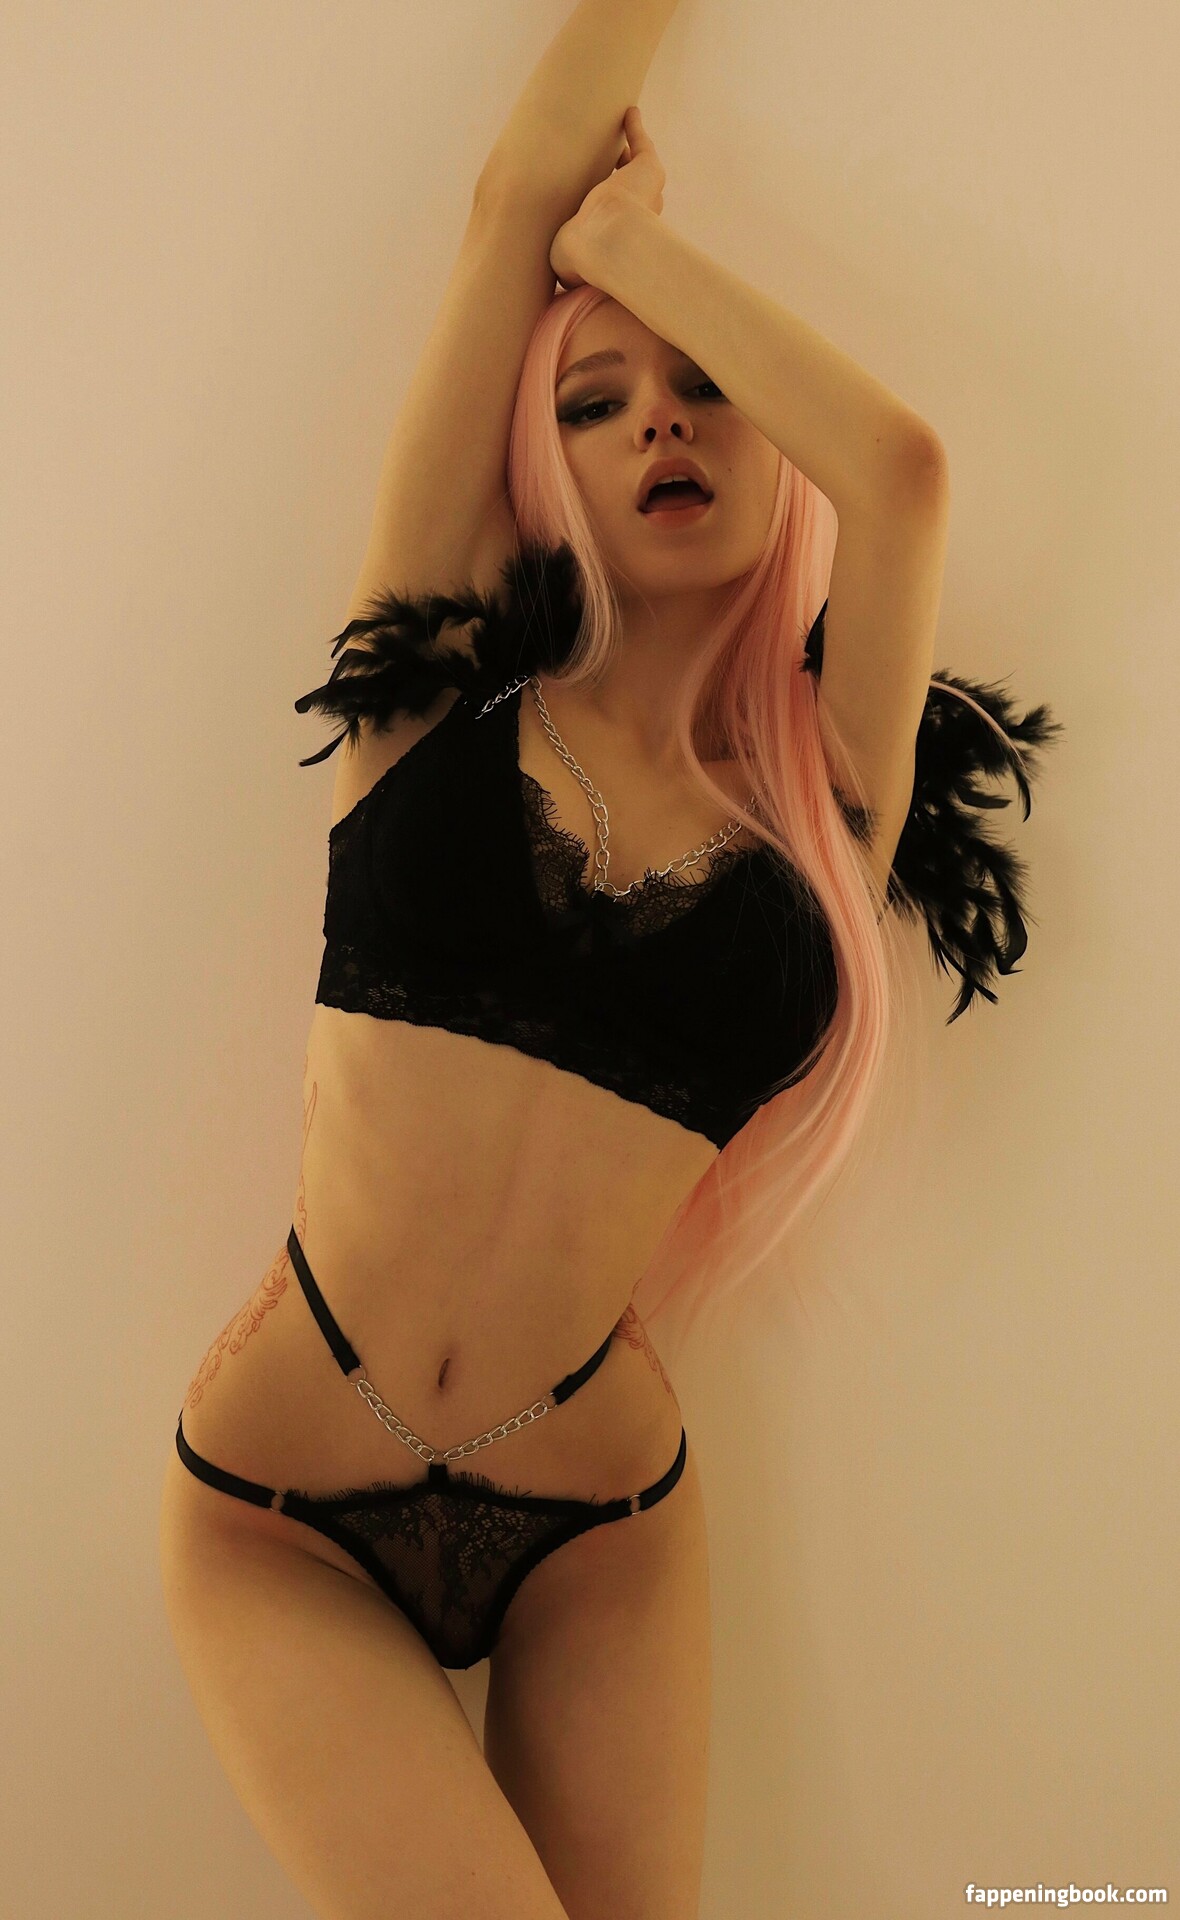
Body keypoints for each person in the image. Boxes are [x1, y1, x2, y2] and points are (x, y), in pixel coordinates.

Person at [158, 4, 1061, 1916]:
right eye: (595, 396)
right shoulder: (432, 692)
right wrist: (567, 233)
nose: (660, 418)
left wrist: (634, 252)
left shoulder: (825, 805)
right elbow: (512, 197)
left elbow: (901, 471)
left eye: (708, 386)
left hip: (603, 1527)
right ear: (542, 468)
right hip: (284, 1513)